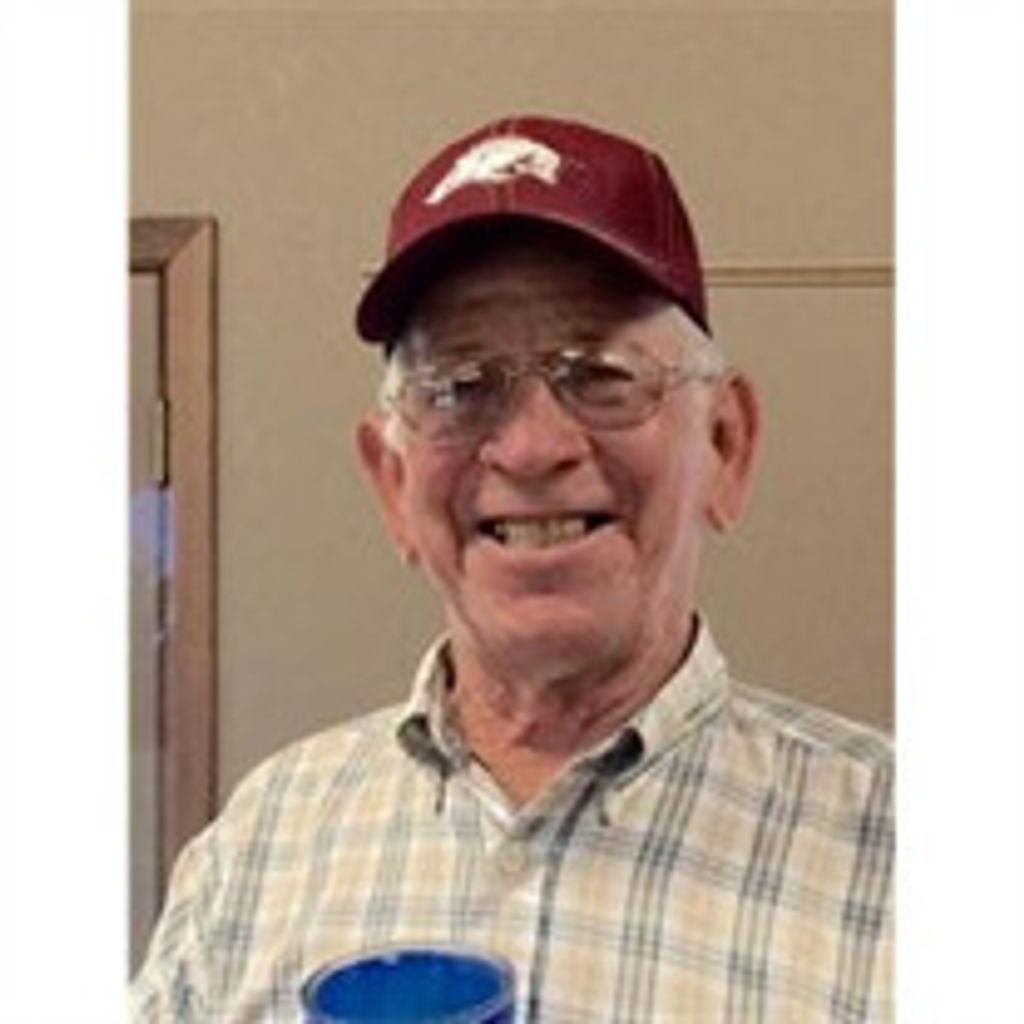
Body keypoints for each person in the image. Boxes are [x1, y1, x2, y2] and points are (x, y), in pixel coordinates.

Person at [131, 114, 893, 1022]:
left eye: (601, 373)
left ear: (725, 444)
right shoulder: (260, 848)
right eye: (460, 386)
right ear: (391, 481)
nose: (532, 448)